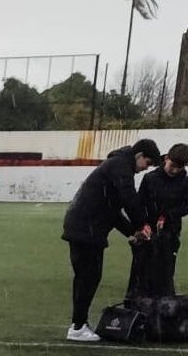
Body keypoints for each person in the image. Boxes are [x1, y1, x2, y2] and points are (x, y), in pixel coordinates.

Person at [60, 138, 160, 341]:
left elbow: (113, 212)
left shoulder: (117, 165)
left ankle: (79, 324)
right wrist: (142, 224)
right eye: (147, 163)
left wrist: (133, 232)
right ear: (139, 155)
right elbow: (129, 198)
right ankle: (77, 327)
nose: (145, 168)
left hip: (84, 226)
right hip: (85, 228)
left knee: (86, 277)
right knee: (88, 277)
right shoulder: (121, 166)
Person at [140, 143, 188, 295]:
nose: (175, 170)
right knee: (143, 272)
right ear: (166, 159)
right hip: (147, 232)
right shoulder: (149, 178)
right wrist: (143, 224)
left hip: (170, 234)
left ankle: (165, 303)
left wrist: (167, 216)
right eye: (172, 165)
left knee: (166, 274)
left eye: (179, 167)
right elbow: (140, 204)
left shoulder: (185, 181)